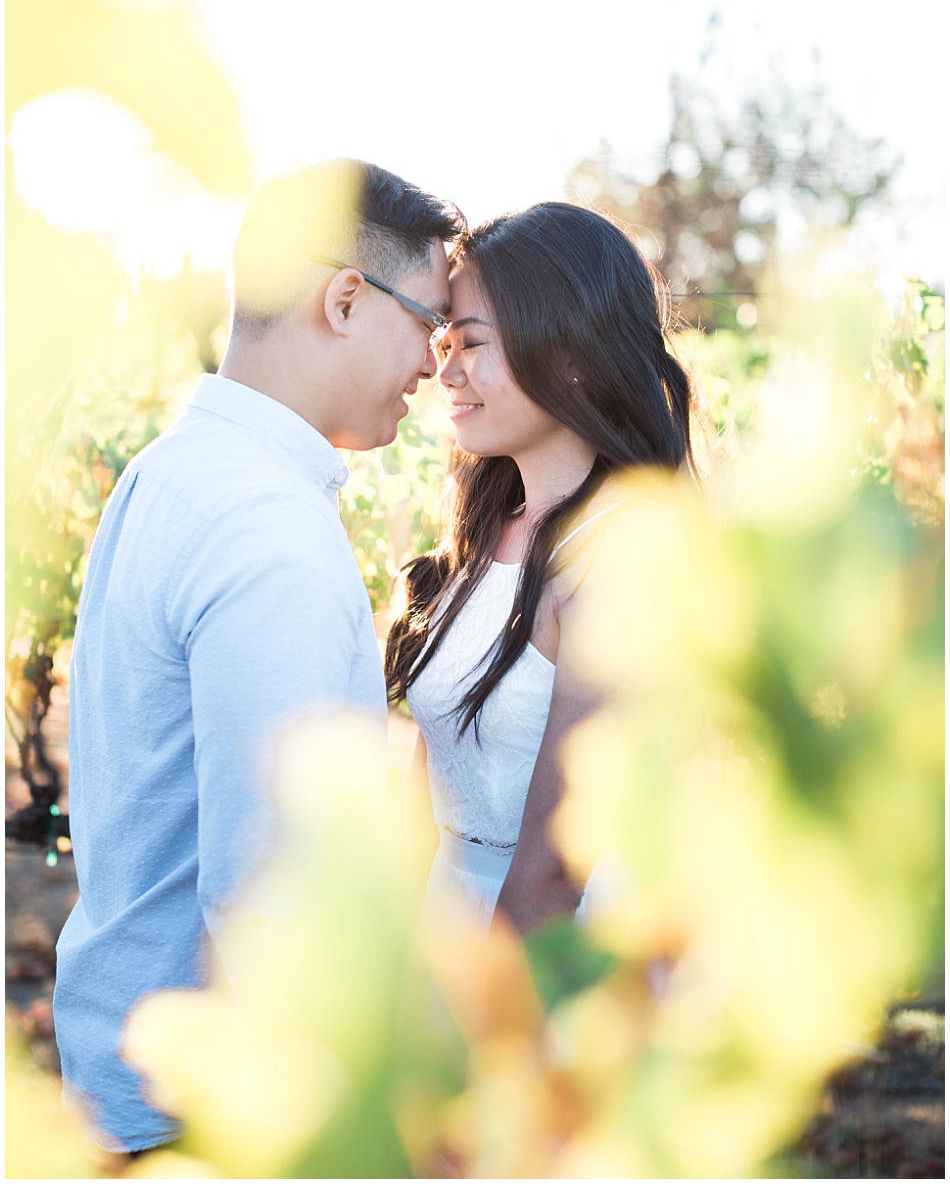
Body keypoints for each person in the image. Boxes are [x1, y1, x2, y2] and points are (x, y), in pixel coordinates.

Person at [53, 158, 466, 1155]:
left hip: (123, 1070)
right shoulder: (265, 530)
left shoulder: (169, 472)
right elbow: (272, 892)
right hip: (210, 1116)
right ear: (344, 299)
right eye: (429, 323)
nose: (435, 364)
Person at [386, 201, 694, 935]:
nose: (444, 370)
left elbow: (556, 866)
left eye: (471, 343)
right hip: (444, 924)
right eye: (443, 342)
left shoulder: (626, 548)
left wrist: (487, 997)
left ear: (570, 354)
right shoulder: (483, 530)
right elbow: (427, 789)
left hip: (543, 945)